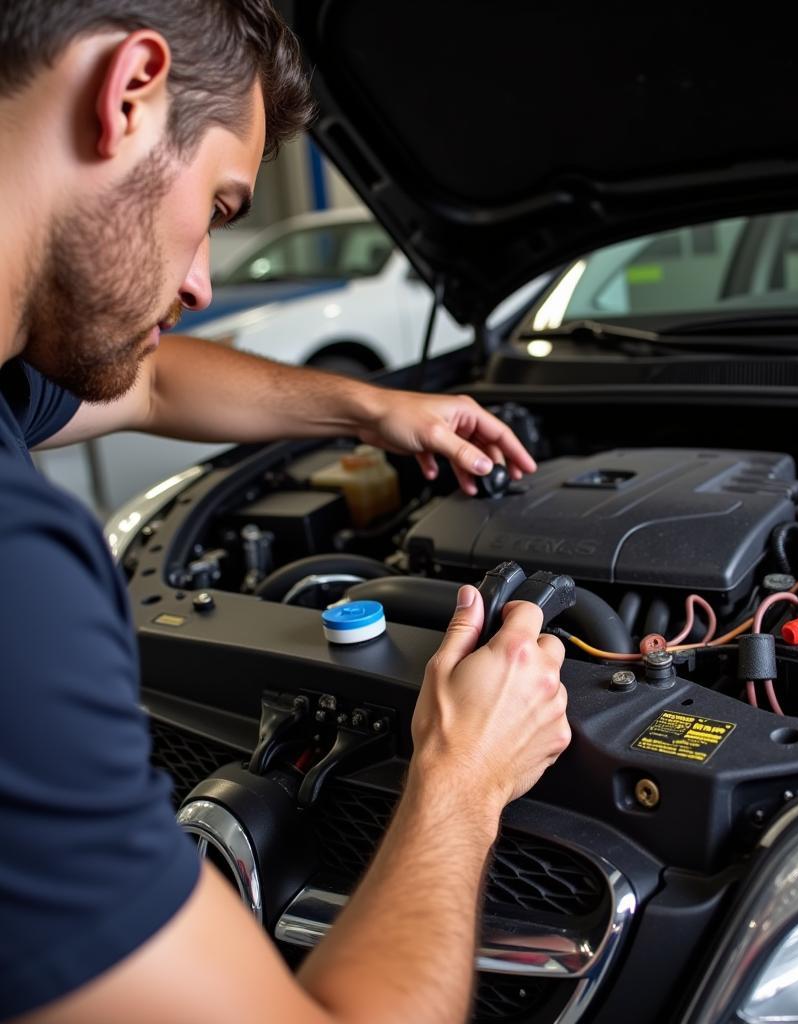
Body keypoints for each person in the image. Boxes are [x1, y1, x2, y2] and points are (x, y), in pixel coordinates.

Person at [0, 3, 571, 1022]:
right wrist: (462, 779)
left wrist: (375, 407)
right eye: (221, 206)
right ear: (128, 92)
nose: (201, 283)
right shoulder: (18, 578)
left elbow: (147, 385)